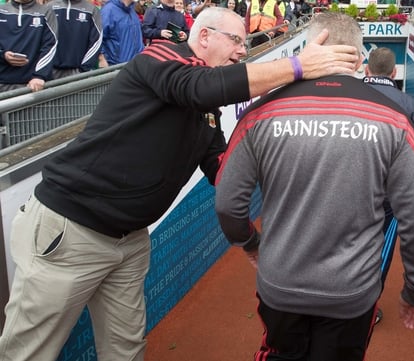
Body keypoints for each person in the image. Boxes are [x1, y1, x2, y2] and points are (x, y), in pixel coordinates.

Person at [0, 7, 358, 361]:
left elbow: (222, 169)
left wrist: (288, 181)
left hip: (130, 240)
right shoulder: (160, 57)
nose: (241, 51)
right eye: (236, 41)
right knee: (28, 352)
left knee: (125, 349)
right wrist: (298, 67)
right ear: (203, 36)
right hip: (71, 231)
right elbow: (201, 88)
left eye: (244, 45)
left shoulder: (207, 110)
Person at [215, 12, 414, 361]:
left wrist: (250, 243)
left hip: (280, 286)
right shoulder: (394, 120)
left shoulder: (260, 114)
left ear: (309, 49)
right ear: (359, 58)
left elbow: (228, 203)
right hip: (351, 293)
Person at [362, 46, 414, 325]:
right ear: (394, 73)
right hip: (390, 197)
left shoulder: (348, 96)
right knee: (380, 252)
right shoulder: (409, 104)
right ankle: (363, 310)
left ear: (366, 70)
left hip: (348, 189)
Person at [0, 0, 57, 92]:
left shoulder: (46, 12)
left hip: (33, 85)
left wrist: (39, 75)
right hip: (2, 82)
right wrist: (3, 55)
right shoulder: (1, 10)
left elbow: (51, 45)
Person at [50, 0, 103, 78]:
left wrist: (84, 69)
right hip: (51, 72)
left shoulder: (92, 10)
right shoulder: (50, 8)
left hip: (78, 73)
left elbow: (97, 41)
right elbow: (42, 40)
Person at [100, 0, 145, 66]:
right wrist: (102, 59)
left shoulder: (132, 11)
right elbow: (98, 39)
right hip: (118, 67)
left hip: (137, 64)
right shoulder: (108, 11)